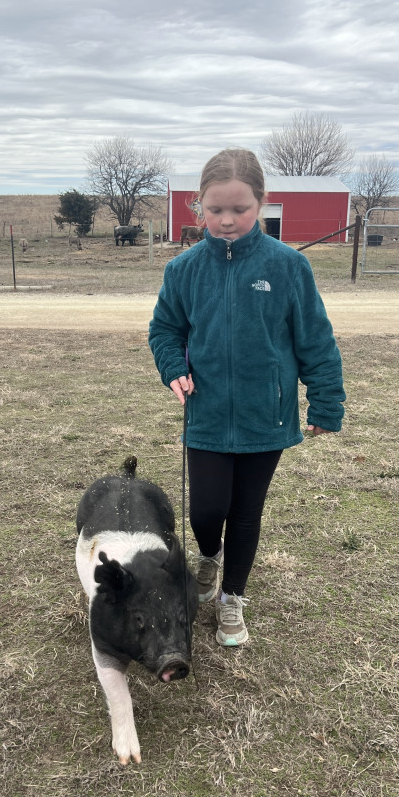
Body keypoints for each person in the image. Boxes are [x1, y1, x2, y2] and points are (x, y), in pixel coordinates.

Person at [148, 148, 346, 647]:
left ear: (261, 202)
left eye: (240, 209)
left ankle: (232, 597)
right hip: (207, 413)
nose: (228, 220)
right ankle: (208, 557)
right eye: (215, 210)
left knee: (246, 512)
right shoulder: (184, 270)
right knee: (206, 510)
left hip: (267, 416)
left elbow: (316, 340)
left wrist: (325, 402)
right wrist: (174, 370)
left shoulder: (288, 267)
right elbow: (165, 331)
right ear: (199, 206)